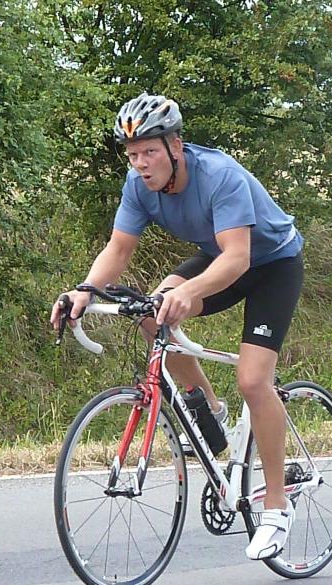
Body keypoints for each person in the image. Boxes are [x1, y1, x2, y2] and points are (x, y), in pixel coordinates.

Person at [50, 92, 304, 560]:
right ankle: (209, 410)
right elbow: (118, 249)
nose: (141, 163)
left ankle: (276, 506)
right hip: (220, 257)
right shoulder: (138, 185)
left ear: (175, 147)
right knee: (152, 312)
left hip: (272, 264)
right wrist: (84, 290)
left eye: (149, 151)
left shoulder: (219, 175)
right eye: (133, 154)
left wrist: (190, 292)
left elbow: (238, 258)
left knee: (253, 380)